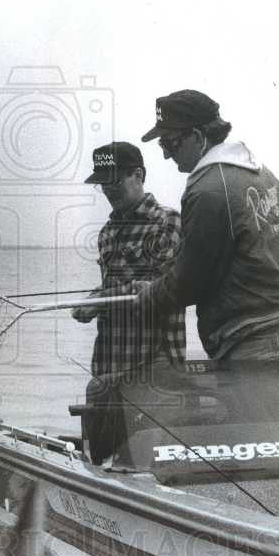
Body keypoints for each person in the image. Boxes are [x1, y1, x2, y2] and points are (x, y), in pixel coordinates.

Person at [136, 89, 279, 442]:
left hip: (256, 340)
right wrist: (261, 268)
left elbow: (189, 282)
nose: (166, 155)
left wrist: (148, 295)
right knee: (278, 440)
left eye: (170, 144)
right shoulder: (260, 173)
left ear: (199, 137)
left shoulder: (207, 189)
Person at [72, 141, 185, 462]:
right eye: (102, 183)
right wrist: (91, 303)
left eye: (115, 180)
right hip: (106, 368)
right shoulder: (107, 232)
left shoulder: (167, 223)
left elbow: (163, 289)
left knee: (147, 464)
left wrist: (99, 300)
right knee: (102, 463)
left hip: (153, 368)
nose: (108, 189)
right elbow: (115, 288)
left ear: (139, 175)